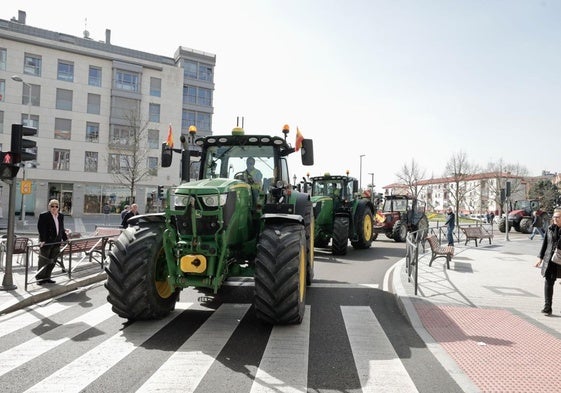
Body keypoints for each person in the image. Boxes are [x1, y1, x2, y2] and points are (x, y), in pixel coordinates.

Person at [534, 208, 561, 316]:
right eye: (554, 217)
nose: (555, 219)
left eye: (558, 217)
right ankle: (547, 307)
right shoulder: (550, 229)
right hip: (550, 260)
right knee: (548, 283)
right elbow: (545, 244)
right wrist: (540, 258)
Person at [35, 199, 69, 285]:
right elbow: (41, 228)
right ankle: (39, 278)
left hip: (56, 242)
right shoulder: (44, 215)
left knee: (52, 261)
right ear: (49, 207)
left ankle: (47, 277)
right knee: (43, 261)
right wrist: (42, 240)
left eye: (56, 206)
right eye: (52, 206)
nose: (54, 208)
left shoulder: (60, 216)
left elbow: (61, 229)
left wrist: (65, 239)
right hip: (47, 242)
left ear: (58, 208)